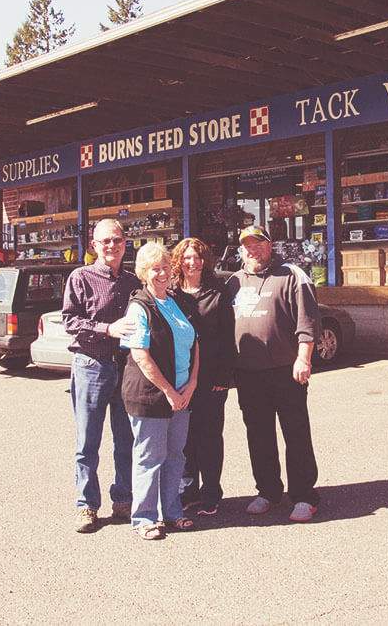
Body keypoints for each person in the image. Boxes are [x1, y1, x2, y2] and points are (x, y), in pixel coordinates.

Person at [225, 225, 322, 522]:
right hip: (248, 374)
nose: (253, 249)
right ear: (242, 249)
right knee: (258, 434)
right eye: (247, 245)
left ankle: (304, 495)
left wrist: (303, 359)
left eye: (258, 244)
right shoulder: (233, 282)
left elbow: (307, 322)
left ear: (270, 245)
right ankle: (267, 491)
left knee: (295, 432)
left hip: (286, 370)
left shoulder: (292, 275)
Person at [61, 218, 139, 533]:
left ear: (125, 243)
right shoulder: (80, 277)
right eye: (104, 241)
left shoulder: (133, 281)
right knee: (87, 442)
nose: (111, 246)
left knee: (126, 440)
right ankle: (86, 506)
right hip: (91, 366)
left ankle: (123, 499)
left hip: (125, 368)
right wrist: (107, 329)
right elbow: (69, 320)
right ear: (94, 245)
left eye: (116, 240)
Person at [119, 242, 200, 540]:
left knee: (175, 455)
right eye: (156, 268)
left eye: (166, 267)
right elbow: (141, 355)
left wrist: (191, 383)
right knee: (149, 458)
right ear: (143, 272)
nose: (163, 273)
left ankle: (173, 511)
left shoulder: (175, 301)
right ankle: (144, 518)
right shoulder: (139, 306)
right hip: (151, 395)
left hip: (182, 392)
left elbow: (194, 342)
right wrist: (169, 391)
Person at [172, 238, 236, 516]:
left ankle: (211, 492)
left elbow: (227, 337)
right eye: (186, 258)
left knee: (210, 437)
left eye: (197, 257)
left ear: (204, 261)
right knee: (184, 438)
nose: (192, 262)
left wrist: (224, 377)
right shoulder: (172, 294)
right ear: (179, 261)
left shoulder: (217, 292)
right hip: (182, 377)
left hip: (212, 378)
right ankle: (188, 492)